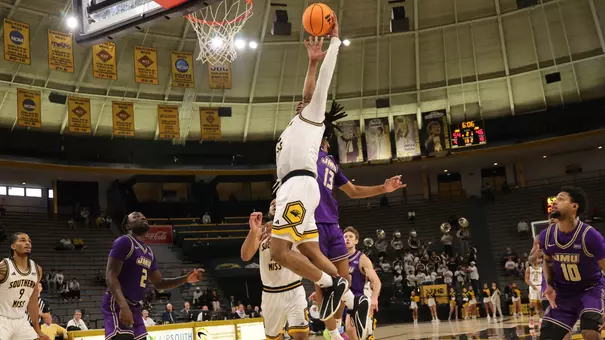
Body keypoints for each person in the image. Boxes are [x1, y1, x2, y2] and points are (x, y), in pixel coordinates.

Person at [270, 16, 366, 340]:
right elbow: (307, 89)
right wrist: (310, 62)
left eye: (308, 101)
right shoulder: (295, 124)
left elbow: (319, 86)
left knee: (279, 251)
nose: (305, 99)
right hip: (297, 192)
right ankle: (352, 299)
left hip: (298, 186)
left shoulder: (314, 119)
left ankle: (331, 284)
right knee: (311, 251)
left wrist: (333, 45)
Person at [315, 106, 403, 339]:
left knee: (342, 283)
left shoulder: (331, 161)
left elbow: (352, 191)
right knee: (323, 283)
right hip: (313, 222)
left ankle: (347, 315)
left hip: (332, 222)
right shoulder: (306, 153)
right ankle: (334, 333)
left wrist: (383, 188)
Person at [102, 212, 203, 340]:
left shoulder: (149, 252)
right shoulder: (124, 241)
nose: (143, 218)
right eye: (136, 216)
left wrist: (185, 279)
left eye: (144, 216)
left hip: (135, 306)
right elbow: (110, 275)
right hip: (118, 302)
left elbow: (159, 283)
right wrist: (123, 305)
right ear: (128, 226)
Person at [539, 187, 605, 340]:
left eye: (561, 199)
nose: (555, 202)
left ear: (574, 206)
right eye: (555, 199)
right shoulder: (546, 235)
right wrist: (548, 285)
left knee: (590, 333)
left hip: (591, 290)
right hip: (563, 293)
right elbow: (547, 262)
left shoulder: (590, 236)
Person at [241, 210, 309, 340]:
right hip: (270, 293)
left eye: (278, 202)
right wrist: (253, 231)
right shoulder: (262, 231)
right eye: (272, 204)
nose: (275, 204)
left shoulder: (296, 228)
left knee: (302, 336)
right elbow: (245, 256)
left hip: (294, 289)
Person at [0, 233, 50, 340]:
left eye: (29, 241)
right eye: (22, 240)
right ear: (13, 246)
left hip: (21, 320)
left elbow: (33, 301)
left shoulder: (37, 269)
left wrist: (37, 330)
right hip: (1, 319)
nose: (27, 243)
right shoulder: (4, 267)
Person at [342, 227, 382, 340]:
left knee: (351, 328)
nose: (347, 239)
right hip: (341, 300)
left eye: (350, 237)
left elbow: (376, 282)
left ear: (356, 241)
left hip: (356, 298)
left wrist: (374, 298)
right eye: (345, 237)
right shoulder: (338, 259)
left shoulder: (362, 259)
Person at [526, 255, 543, 329]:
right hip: (533, 287)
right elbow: (526, 279)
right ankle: (531, 320)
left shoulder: (541, 268)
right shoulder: (529, 269)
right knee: (532, 305)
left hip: (540, 286)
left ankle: (540, 320)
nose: (537, 260)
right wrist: (531, 285)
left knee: (540, 305)